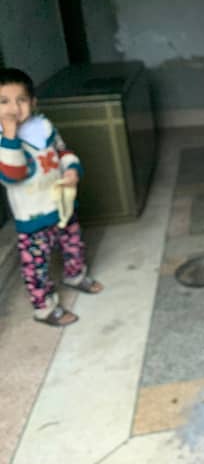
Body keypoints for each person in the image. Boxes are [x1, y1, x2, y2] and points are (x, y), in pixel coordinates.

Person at [0, 68, 103, 326]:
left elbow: (62, 151)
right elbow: (13, 174)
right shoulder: (3, 141)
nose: (14, 107)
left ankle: (75, 275)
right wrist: (10, 134)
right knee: (37, 264)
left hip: (61, 204)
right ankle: (44, 307)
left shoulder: (43, 127)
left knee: (73, 244)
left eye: (21, 100)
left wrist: (71, 169)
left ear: (33, 102)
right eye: (4, 102)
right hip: (32, 215)